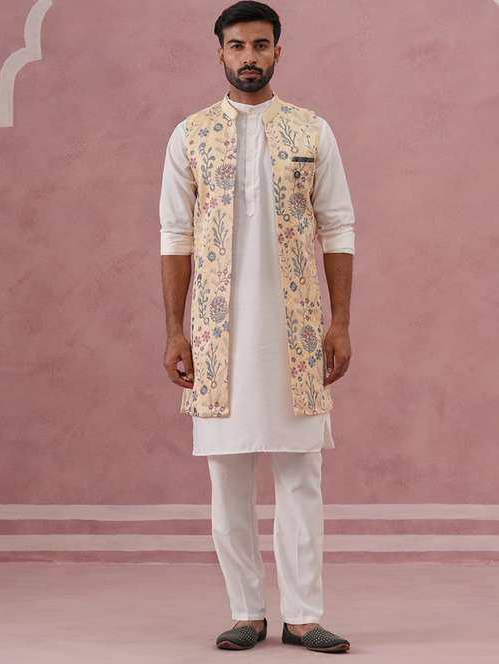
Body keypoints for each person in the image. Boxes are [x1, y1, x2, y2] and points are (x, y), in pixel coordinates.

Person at [159, 1, 355, 653]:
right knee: (227, 478)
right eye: (238, 46)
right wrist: (175, 331)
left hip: (296, 334)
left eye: (261, 45)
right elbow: (175, 235)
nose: (249, 57)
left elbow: (339, 227)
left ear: (278, 51)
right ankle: (246, 612)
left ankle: (302, 616)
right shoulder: (190, 136)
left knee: (301, 473)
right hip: (218, 339)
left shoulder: (311, 131)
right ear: (219, 52)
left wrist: (340, 323)